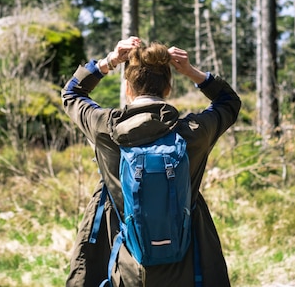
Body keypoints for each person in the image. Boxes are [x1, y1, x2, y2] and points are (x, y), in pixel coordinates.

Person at [62, 37, 241, 287]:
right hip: (189, 265)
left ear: (128, 88)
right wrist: (191, 72)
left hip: (126, 264)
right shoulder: (193, 132)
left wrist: (109, 61)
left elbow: (72, 93)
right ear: (168, 87)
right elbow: (229, 102)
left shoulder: (105, 128)